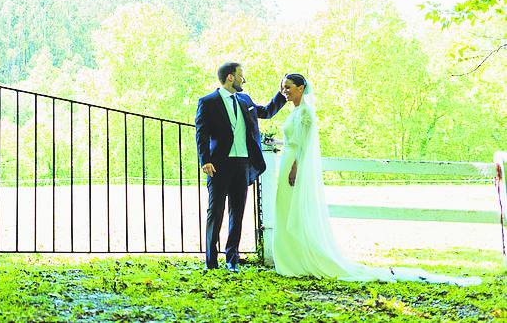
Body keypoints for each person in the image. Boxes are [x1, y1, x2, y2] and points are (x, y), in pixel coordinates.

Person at [272, 73, 480, 285]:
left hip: (295, 164)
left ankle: (304, 258)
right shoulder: (295, 112)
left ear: (300, 88)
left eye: (288, 87)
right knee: (285, 209)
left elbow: (306, 144)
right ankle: (292, 258)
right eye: (283, 88)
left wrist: (296, 166)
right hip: (287, 159)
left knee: (296, 211)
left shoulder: (306, 112)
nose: (285, 91)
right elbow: (293, 138)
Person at [196, 62, 287, 270]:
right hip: (219, 165)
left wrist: (281, 94)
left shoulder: (245, 100)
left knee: (237, 213)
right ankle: (211, 261)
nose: (243, 80)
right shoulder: (208, 102)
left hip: (243, 164)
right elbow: (201, 134)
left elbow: (266, 112)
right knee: (216, 212)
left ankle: (232, 259)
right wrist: (205, 160)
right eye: (240, 76)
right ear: (230, 77)